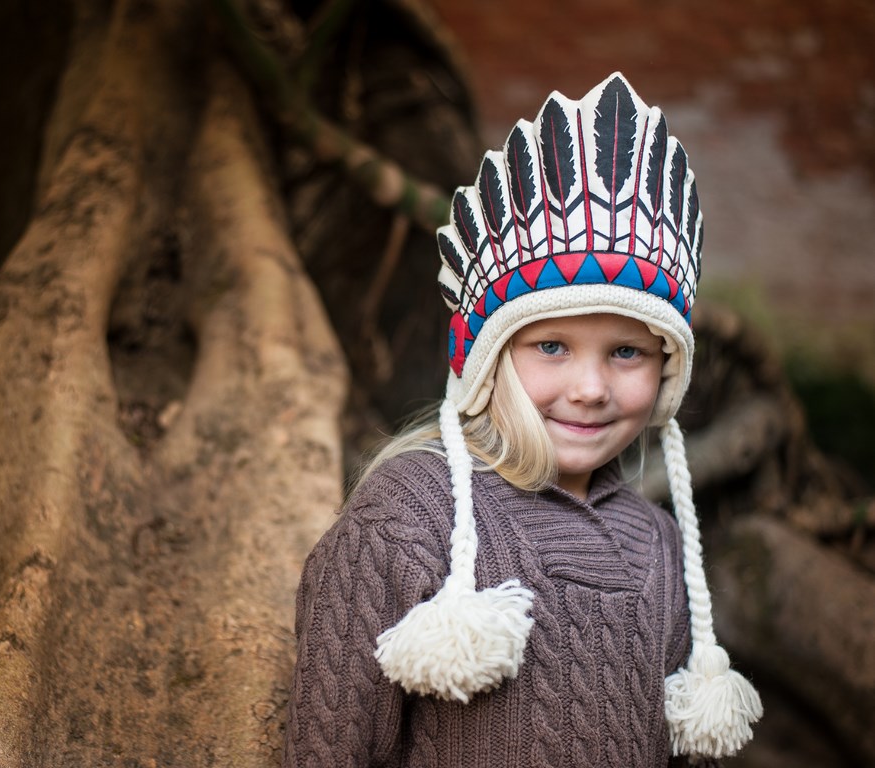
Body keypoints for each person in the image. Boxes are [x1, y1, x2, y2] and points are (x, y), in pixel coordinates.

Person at [281, 73, 763, 767]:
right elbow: (331, 751)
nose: (591, 388)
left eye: (626, 351)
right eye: (552, 347)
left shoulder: (657, 542)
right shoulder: (408, 521)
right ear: (486, 359)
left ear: (667, 371)